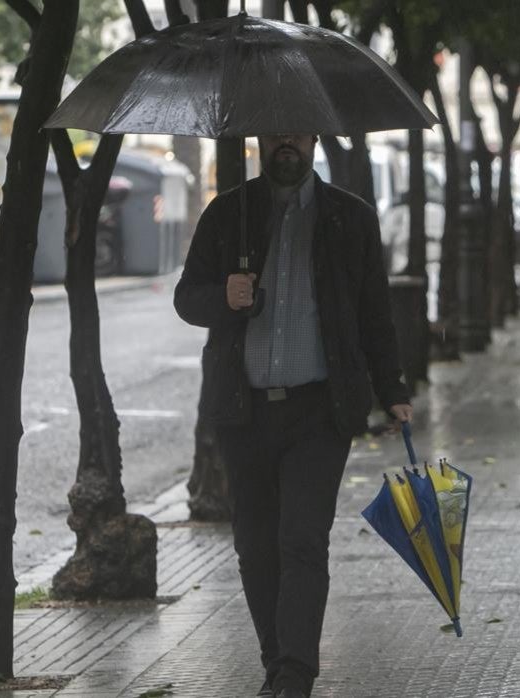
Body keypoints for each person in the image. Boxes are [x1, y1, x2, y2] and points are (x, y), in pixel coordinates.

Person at [174, 133, 412, 698]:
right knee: (255, 546)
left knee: (303, 539)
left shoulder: (349, 218)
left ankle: (295, 675)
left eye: (298, 131)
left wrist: (393, 389)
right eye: (277, 130)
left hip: (319, 411)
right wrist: (223, 296)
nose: (287, 142)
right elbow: (187, 299)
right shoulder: (227, 214)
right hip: (243, 409)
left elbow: (374, 311)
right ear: (261, 138)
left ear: (313, 138)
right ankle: (276, 662)